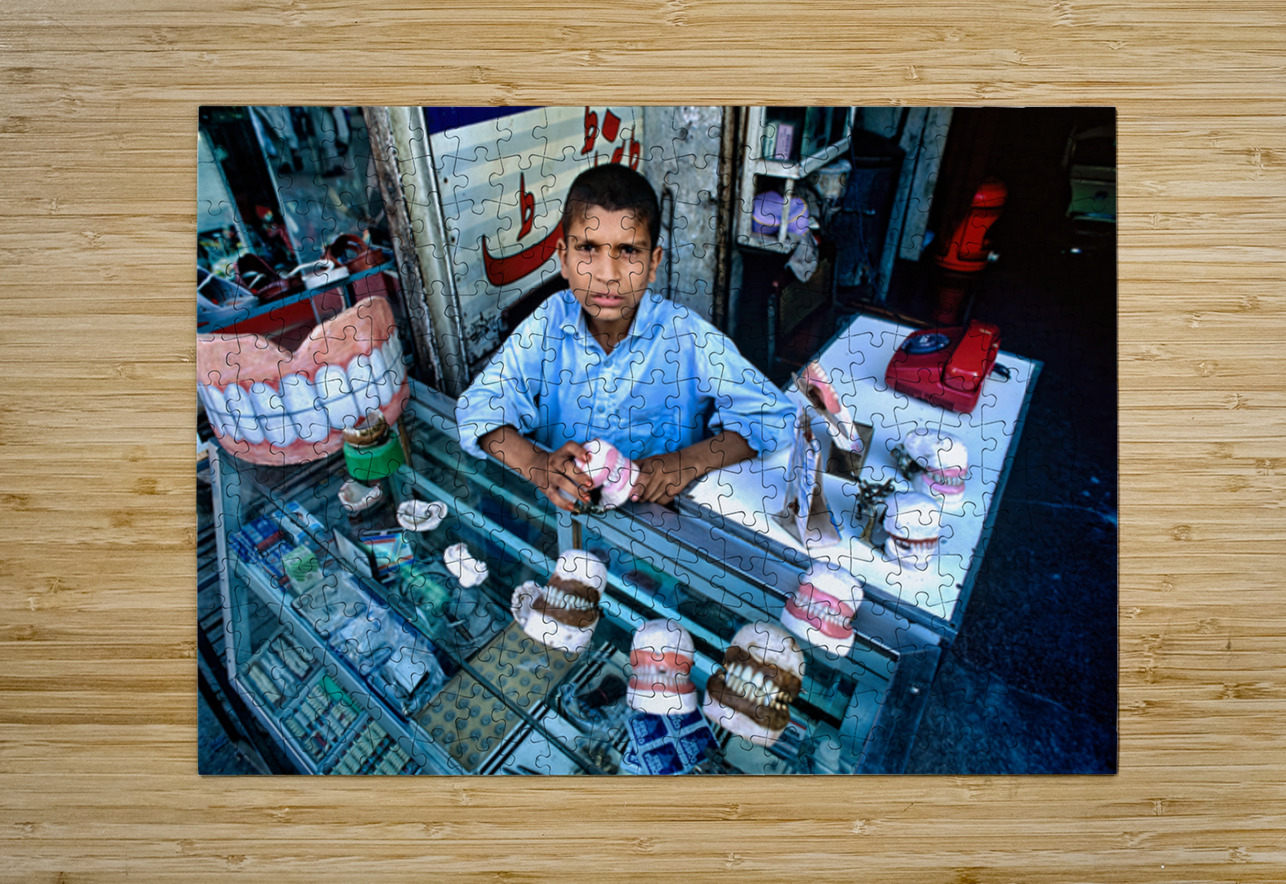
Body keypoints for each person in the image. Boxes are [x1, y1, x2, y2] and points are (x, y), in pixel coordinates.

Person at [455, 164, 795, 512]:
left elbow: (775, 417)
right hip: (565, 524)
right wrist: (539, 466)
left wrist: (686, 461)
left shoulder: (685, 336)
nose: (608, 274)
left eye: (629, 251)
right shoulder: (548, 324)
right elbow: (477, 406)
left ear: (653, 262)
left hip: (659, 535)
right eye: (588, 248)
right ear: (564, 258)